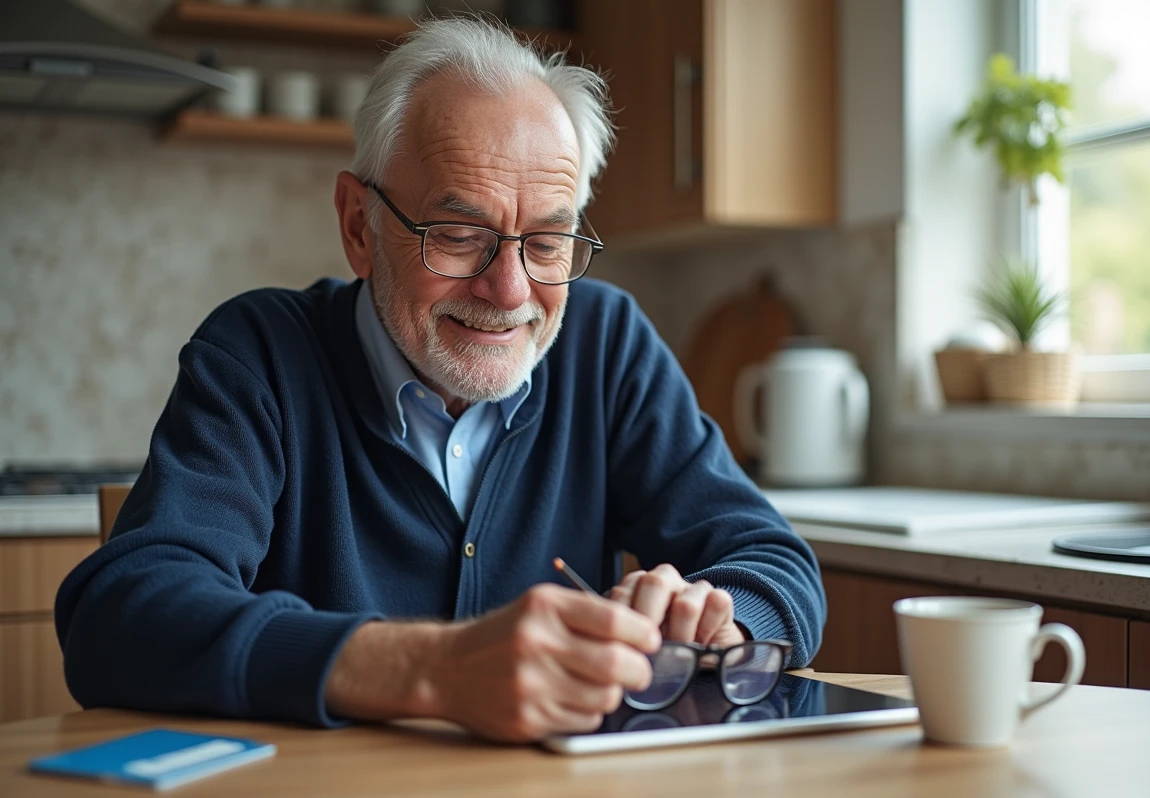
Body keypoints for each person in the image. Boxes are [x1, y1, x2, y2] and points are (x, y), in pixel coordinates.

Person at [55, 18, 826, 743]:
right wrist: (431, 669)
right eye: (458, 236)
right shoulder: (259, 354)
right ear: (360, 226)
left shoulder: (606, 343)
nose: (510, 291)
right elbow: (120, 617)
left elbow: (776, 562)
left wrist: (722, 619)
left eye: (549, 242)